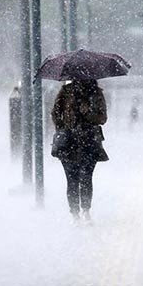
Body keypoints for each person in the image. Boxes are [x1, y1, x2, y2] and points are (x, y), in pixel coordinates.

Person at [51, 79, 108, 223]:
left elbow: (102, 118)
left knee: (86, 178)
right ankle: (75, 214)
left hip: (89, 141)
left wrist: (87, 113)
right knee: (72, 179)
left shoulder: (96, 93)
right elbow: (55, 113)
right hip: (69, 142)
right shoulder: (66, 92)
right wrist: (63, 127)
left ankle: (85, 210)